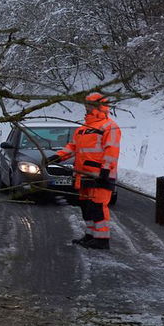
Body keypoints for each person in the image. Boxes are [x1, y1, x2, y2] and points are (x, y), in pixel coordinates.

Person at [54, 91, 121, 250]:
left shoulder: (109, 127)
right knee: (86, 206)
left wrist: (105, 170)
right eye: (86, 105)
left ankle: (102, 239)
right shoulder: (83, 129)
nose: (86, 108)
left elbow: (111, 151)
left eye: (89, 105)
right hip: (83, 175)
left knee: (98, 206)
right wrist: (57, 157)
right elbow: (73, 147)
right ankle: (91, 235)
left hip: (100, 175)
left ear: (98, 106)